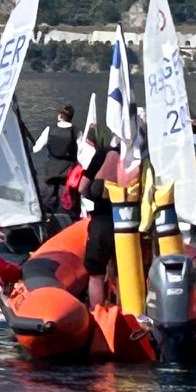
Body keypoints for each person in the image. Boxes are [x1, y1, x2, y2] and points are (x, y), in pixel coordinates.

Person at [79, 135, 122, 308]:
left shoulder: (103, 154)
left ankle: (98, 314)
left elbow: (82, 186)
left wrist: (90, 195)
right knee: (125, 270)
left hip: (102, 221)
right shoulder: (139, 157)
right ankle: (126, 313)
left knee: (96, 273)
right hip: (131, 222)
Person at [34, 104, 79, 197]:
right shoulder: (76, 131)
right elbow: (83, 153)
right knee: (65, 198)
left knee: (48, 197)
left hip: (51, 170)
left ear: (60, 115)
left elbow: (36, 148)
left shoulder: (50, 129)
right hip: (68, 170)